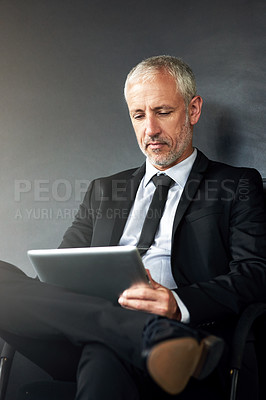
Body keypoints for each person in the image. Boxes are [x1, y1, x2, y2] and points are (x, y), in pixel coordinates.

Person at [0, 55, 266, 400]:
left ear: (193, 109)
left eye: (163, 112)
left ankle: (137, 334)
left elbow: (255, 273)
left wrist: (176, 303)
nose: (150, 130)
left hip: (184, 340)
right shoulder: (103, 190)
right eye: (138, 115)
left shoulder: (237, 184)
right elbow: (58, 271)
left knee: (105, 353)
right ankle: (138, 332)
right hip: (82, 334)